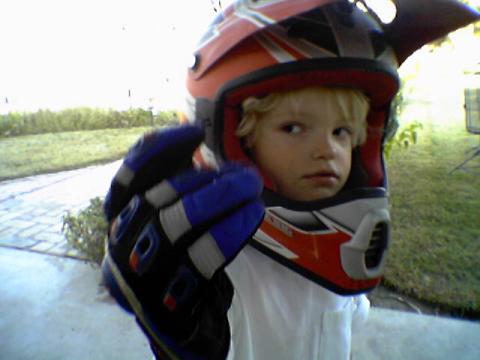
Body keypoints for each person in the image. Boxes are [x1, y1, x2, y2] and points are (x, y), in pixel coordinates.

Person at [101, 1, 479, 359]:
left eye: (342, 132)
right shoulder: (224, 264)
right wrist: (177, 343)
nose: (326, 149)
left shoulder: (335, 250)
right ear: (237, 144)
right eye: (294, 127)